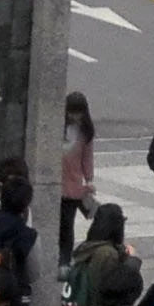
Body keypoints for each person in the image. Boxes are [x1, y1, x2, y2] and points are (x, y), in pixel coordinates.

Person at [60, 92, 98, 263]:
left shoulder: (85, 132)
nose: (75, 116)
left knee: (67, 226)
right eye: (72, 112)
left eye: (79, 112)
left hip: (73, 186)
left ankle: (64, 260)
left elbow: (87, 158)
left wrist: (89, 180)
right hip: (57, 183)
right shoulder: (57, 127)